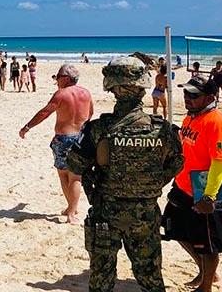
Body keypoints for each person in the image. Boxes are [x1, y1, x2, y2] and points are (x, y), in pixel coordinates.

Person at [67, 57, 183, 292]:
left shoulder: (98, 128)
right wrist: (152, 183)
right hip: (145, 213)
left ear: (112, 87)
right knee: (150, 277)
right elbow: (176, 163)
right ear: (142, 86)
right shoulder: (162, 129)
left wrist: (95, 184)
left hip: (106, 213)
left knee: (101, 279)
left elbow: (75, 164)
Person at [162, 76, 222, 292]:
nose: (187, 98)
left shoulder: (217, 122)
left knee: (209, 244)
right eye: (186, 93)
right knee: (176, 230)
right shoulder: (191, 118)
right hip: (183, 186)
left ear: (210, 98)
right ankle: (205, 272)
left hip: (206, 193)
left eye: (193, 95)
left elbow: (220, 163)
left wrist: (209, 197)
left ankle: (206, 287)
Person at [19, 64, 93, 224]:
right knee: (76, 175)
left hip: (64, 138)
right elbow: (90, 113)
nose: (56, 80)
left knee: (65, 175)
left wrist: (27, 127)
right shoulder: (86, 93)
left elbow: (44, 113)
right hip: (82, 137)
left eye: (58, 77)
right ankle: (71, 207)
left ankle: (71, 212)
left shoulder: (61, 94)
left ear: (66, 78)